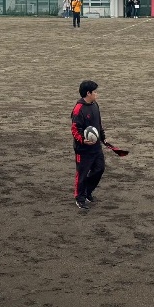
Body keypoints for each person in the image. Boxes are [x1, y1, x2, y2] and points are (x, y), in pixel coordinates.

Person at [70, 80, 106, 211]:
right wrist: (82, 140)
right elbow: (74, 129)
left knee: (99, 169)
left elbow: (98, 122)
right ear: (88, 93)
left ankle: (87, 191)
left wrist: (102, 136)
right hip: (83, 149)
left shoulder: (94, 104)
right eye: (95, 92)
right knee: (82, 173)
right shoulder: (78, 109)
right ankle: (80, 198)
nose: (97, 94)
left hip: (96, 147)